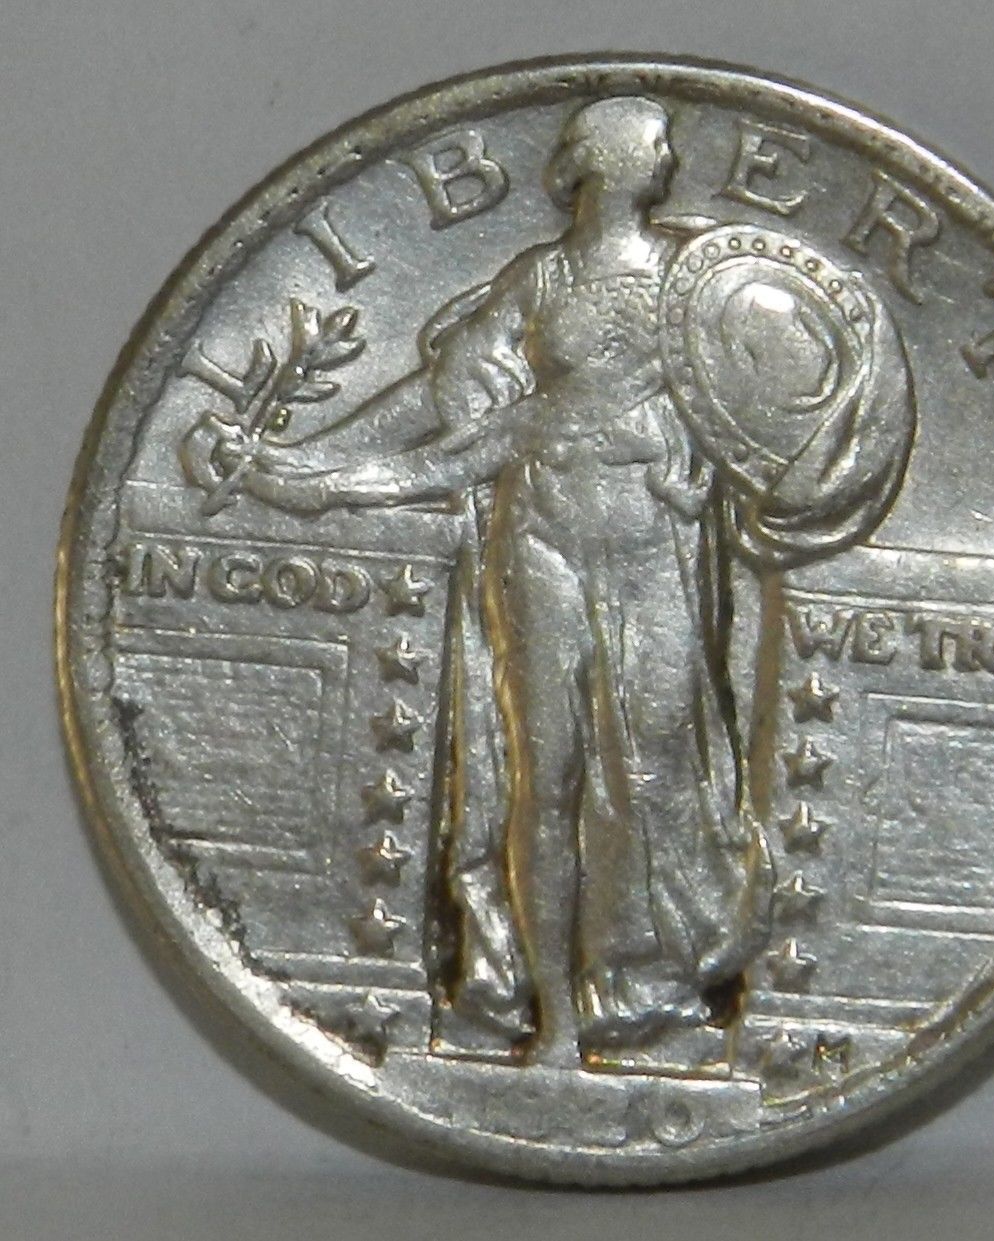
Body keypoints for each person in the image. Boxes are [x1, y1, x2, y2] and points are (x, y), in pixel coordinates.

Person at [184, 97, 778, 1067]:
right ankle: (551, 1018)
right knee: (545, 777)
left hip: (653, 547)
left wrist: (706, 457)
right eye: (650, 141)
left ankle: (646, 992)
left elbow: (762, 411)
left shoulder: (698, 279)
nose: (669, 155)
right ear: (600, 163)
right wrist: (291, 465)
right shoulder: (538, 279)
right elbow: (439, 405)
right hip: (541, 533)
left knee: (655, 769)